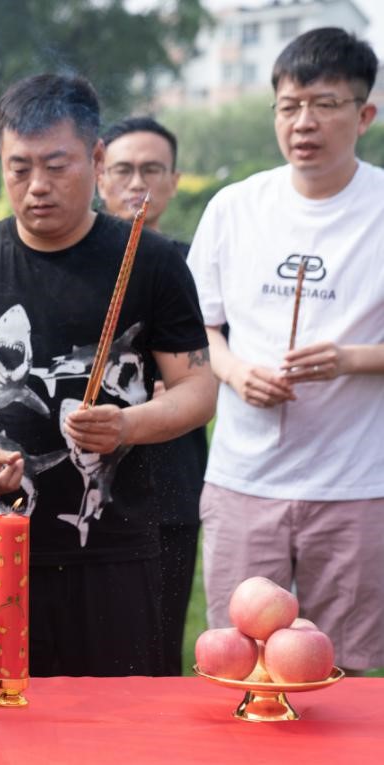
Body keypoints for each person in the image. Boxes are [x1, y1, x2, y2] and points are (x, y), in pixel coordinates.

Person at [0, 73, 215, 677]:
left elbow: (198, 389)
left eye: (57, 166)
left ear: (98, 158)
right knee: (0, 726)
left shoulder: (152, 261)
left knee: (120, 728)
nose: (36, 188)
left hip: (118, 545)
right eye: (19, 167)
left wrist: (128, 424)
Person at [187, 28, 384, 675]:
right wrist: (238, 371)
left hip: (356, 482)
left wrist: (351, 358)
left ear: (364, 115)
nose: (303, 122)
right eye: (288, 105)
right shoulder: (235, 207)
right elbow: (200, 329)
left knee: (346, 669)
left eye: (324, 104)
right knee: (238, 662)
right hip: (246, 476)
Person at [96, 116, 207, 676]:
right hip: (76, 490)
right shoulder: (65, 261)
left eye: (151, 169)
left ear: (173, 180)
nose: (136, 182)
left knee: (155, 646)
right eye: (122, 169)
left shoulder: (195, 262)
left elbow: (210, 368)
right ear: (98, 174)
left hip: (168, 478)